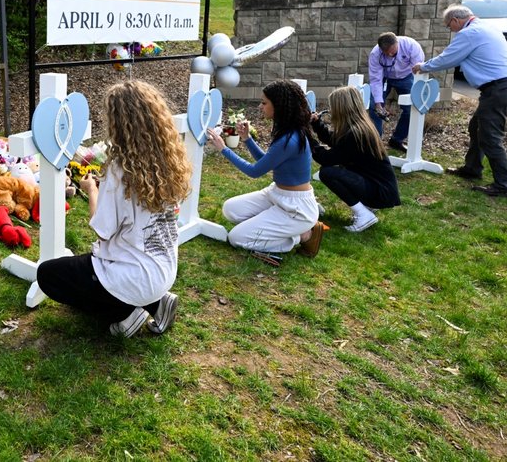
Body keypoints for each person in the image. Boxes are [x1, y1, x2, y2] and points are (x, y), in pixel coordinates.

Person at [35, 80, 192, 338]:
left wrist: (92, 191)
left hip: (132, 275)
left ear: (119, 125)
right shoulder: (168, 158)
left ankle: (125, 314)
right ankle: (157, 303)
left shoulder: (121, 170)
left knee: (48, 275)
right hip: (163, 268)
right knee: (81, 268)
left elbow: (102, 230)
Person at [205, 79, 326, 263]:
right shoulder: (288, 132)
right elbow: (266, 162)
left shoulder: (290, 139)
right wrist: (247, 139)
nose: (260, 107)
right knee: (230, 209)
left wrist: (223, 149)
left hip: (296, 209)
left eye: (264, 103)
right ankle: (276, 226)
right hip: (277, 194)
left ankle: (301, 236)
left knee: (236, 238)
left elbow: (254, 172)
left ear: (279, 106)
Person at [413, 4, 507, 197]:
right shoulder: (486, 27)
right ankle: (472, 168)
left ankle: (505, 185)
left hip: (499, 88)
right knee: (476, 127)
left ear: (455, 21)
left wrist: (423, 67)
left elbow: (448, 58)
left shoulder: (469, 33)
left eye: (449, 26)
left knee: (490, 136)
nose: (451, 30)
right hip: (506, 85)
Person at [310, 86, 401, 232]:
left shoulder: (355, 134)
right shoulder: (359, 128)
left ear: (341, 108)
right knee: (331, 171)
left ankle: (363, 214)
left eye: (333, 106)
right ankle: (366, 208)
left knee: (328, 172)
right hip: (380, 188)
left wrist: (308, 139)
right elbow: (334, 141)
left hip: (380, 192)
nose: (331, 110)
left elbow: (326, 159)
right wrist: (316, 124)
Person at [367, 32, 425, 152]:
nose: (389, 54)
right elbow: (375, 79)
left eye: (392, 52)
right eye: (386, 53)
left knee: (411, 108)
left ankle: (397, 140)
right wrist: (378, 103)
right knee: (373, 107)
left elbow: (418, 70)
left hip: (406, 76)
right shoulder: (375, 54)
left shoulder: (411, 46)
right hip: (384, 78)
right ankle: (375, 142)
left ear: (397, 43)